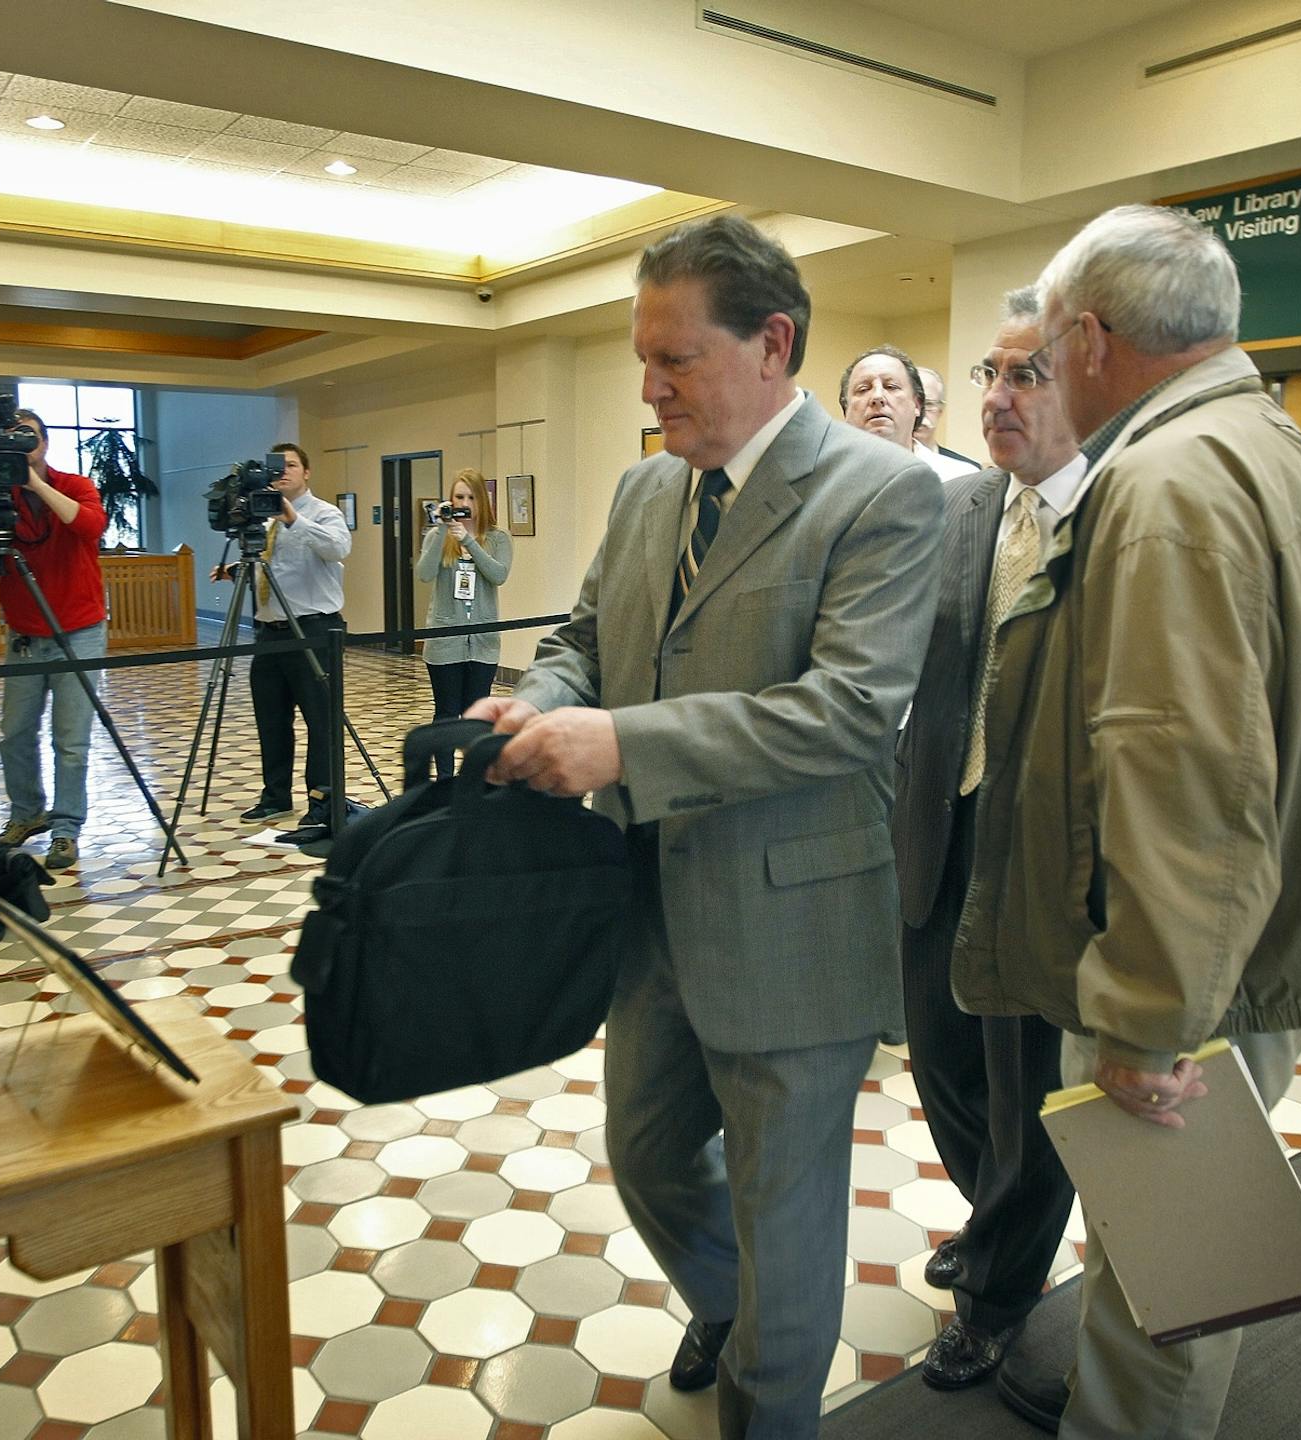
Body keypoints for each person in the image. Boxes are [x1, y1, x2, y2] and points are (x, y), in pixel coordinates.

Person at [472, 213, 944, 1439]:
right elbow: (586, 638)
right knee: (649, 1157)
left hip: (793, 924)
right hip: (652, 913)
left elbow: (845, 715)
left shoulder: (883, 496)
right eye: (646, 356)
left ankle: (769, 1403)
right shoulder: (645, 491)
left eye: (675, 357)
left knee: (790, 1222)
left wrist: (622, 744)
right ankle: (741, 1318)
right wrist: (545, 700)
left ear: (773, 342)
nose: (649, 384)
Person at [948, 205, 1301, 1438]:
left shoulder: (1163, 480)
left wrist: (1149, 1015)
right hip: (1233, 952)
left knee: (1165, 1300)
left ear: (1088, 337)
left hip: (1184, 978)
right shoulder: (1264, 441)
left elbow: (1183, 772)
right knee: (1172, 1280)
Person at [888, 285, 1080, 1393]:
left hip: (1037, 856)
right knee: (943, 1054)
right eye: (989, 376)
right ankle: (993, 1214)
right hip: (940, 826)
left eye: (1026, 375)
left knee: (1029, 1087)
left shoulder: (1109, 519)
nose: (1000, 398)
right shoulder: (963, 509)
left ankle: (1000, 1293)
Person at [0, 409, 107, 872]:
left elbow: (89, 526)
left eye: (33, 437)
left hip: (78, 628)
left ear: (46, 442)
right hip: (23, 630)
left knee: (71, 739)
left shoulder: (75, 484)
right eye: (16, 438)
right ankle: (26, 814)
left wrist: (35, 482)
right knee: (15, 734)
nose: (26, 444)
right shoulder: (2, 494)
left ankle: (66, 829)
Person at [215, 442, 351, 827]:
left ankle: (322, 803)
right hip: (269, 631)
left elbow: (338, 548)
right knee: (271, 720)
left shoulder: (324, 513)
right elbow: (272, 566)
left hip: (315, 629)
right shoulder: (262, 517)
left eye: (291, 465)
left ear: (306, 472)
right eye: (278, 466)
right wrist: (232, 572)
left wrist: (293, 517)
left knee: (320, 721)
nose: (284, 472)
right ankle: (275, 796)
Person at [416, 467, 512, 776]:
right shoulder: (437, 536)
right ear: (450, 500)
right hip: (445, 640)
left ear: (482, 500)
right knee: (446, 713)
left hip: (482, 642)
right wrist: (444, 531)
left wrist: (470, 542)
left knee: (477, 714)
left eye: (471, 497)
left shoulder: (497, 538)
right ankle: (444, 781)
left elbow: (498, 575)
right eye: (459, 496)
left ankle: (473, 777)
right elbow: (425, 573)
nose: (465, 502)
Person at [838, 344, 926, 454]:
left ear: (917, 405)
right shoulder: (826, 471)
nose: (877, 396)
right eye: (863, 389)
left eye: (891, 387)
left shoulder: (950, 471)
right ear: (846, 409)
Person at [912, 367, 984, 482]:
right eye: (913, 404)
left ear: (941, 410)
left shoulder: (966, 472)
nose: (919, 413)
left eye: (929, 404)